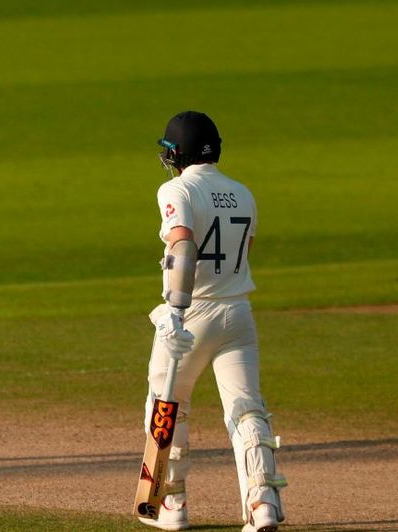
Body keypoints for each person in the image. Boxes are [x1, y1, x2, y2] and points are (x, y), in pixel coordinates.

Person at [138, 111, 287, 532]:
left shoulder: (176, 189)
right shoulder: (243, 193)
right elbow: (245, 251)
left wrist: (176, 310)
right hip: (238, 312)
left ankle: (172, 504)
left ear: (176, 153)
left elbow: (181, 245)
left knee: (167, 406)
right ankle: (263, 506)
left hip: (192, 310)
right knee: (246, 409)